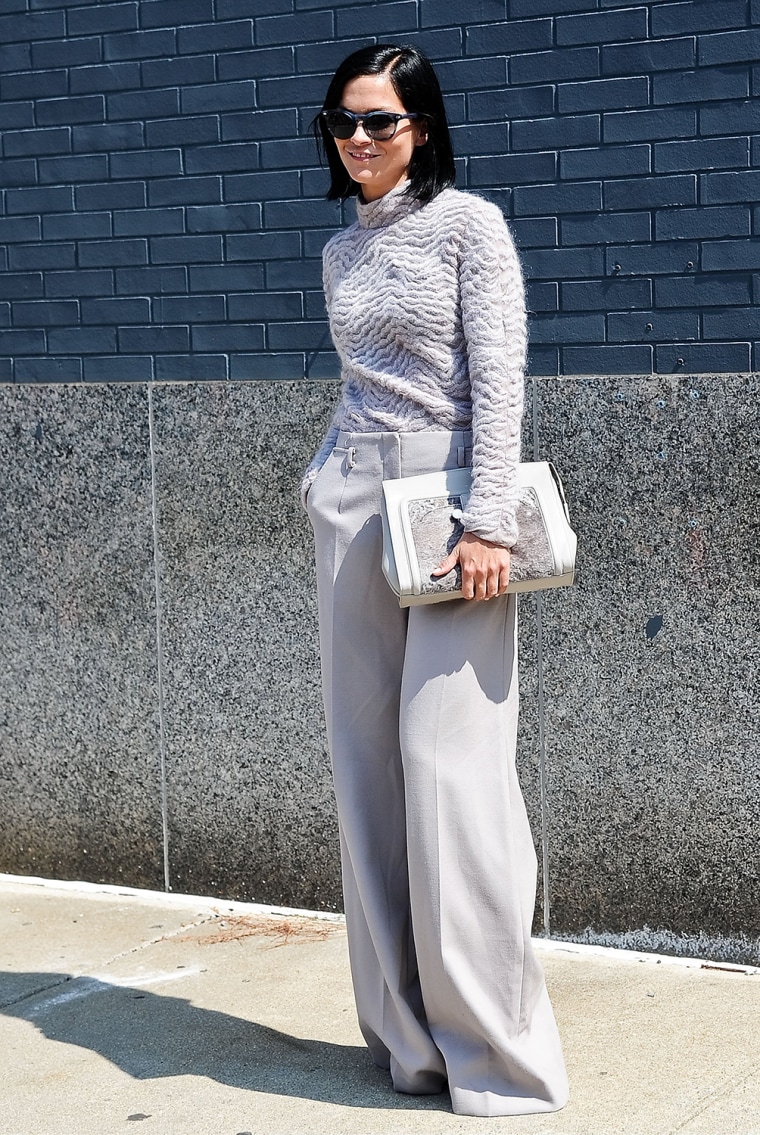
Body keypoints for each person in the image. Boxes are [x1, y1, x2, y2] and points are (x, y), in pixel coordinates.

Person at [301, 43, 569, 1118]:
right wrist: (323, 478)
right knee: (366, 771)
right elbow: (361, 385)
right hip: (350, 510)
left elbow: (497, 377)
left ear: (422, 126)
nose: (360, 141)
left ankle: (498, 1061)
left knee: (449, 770)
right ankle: (407, 1041)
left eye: (381, 121)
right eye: (344, 121)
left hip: (453, 512)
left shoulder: (471, 227)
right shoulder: (338, 251)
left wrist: (488, 518)